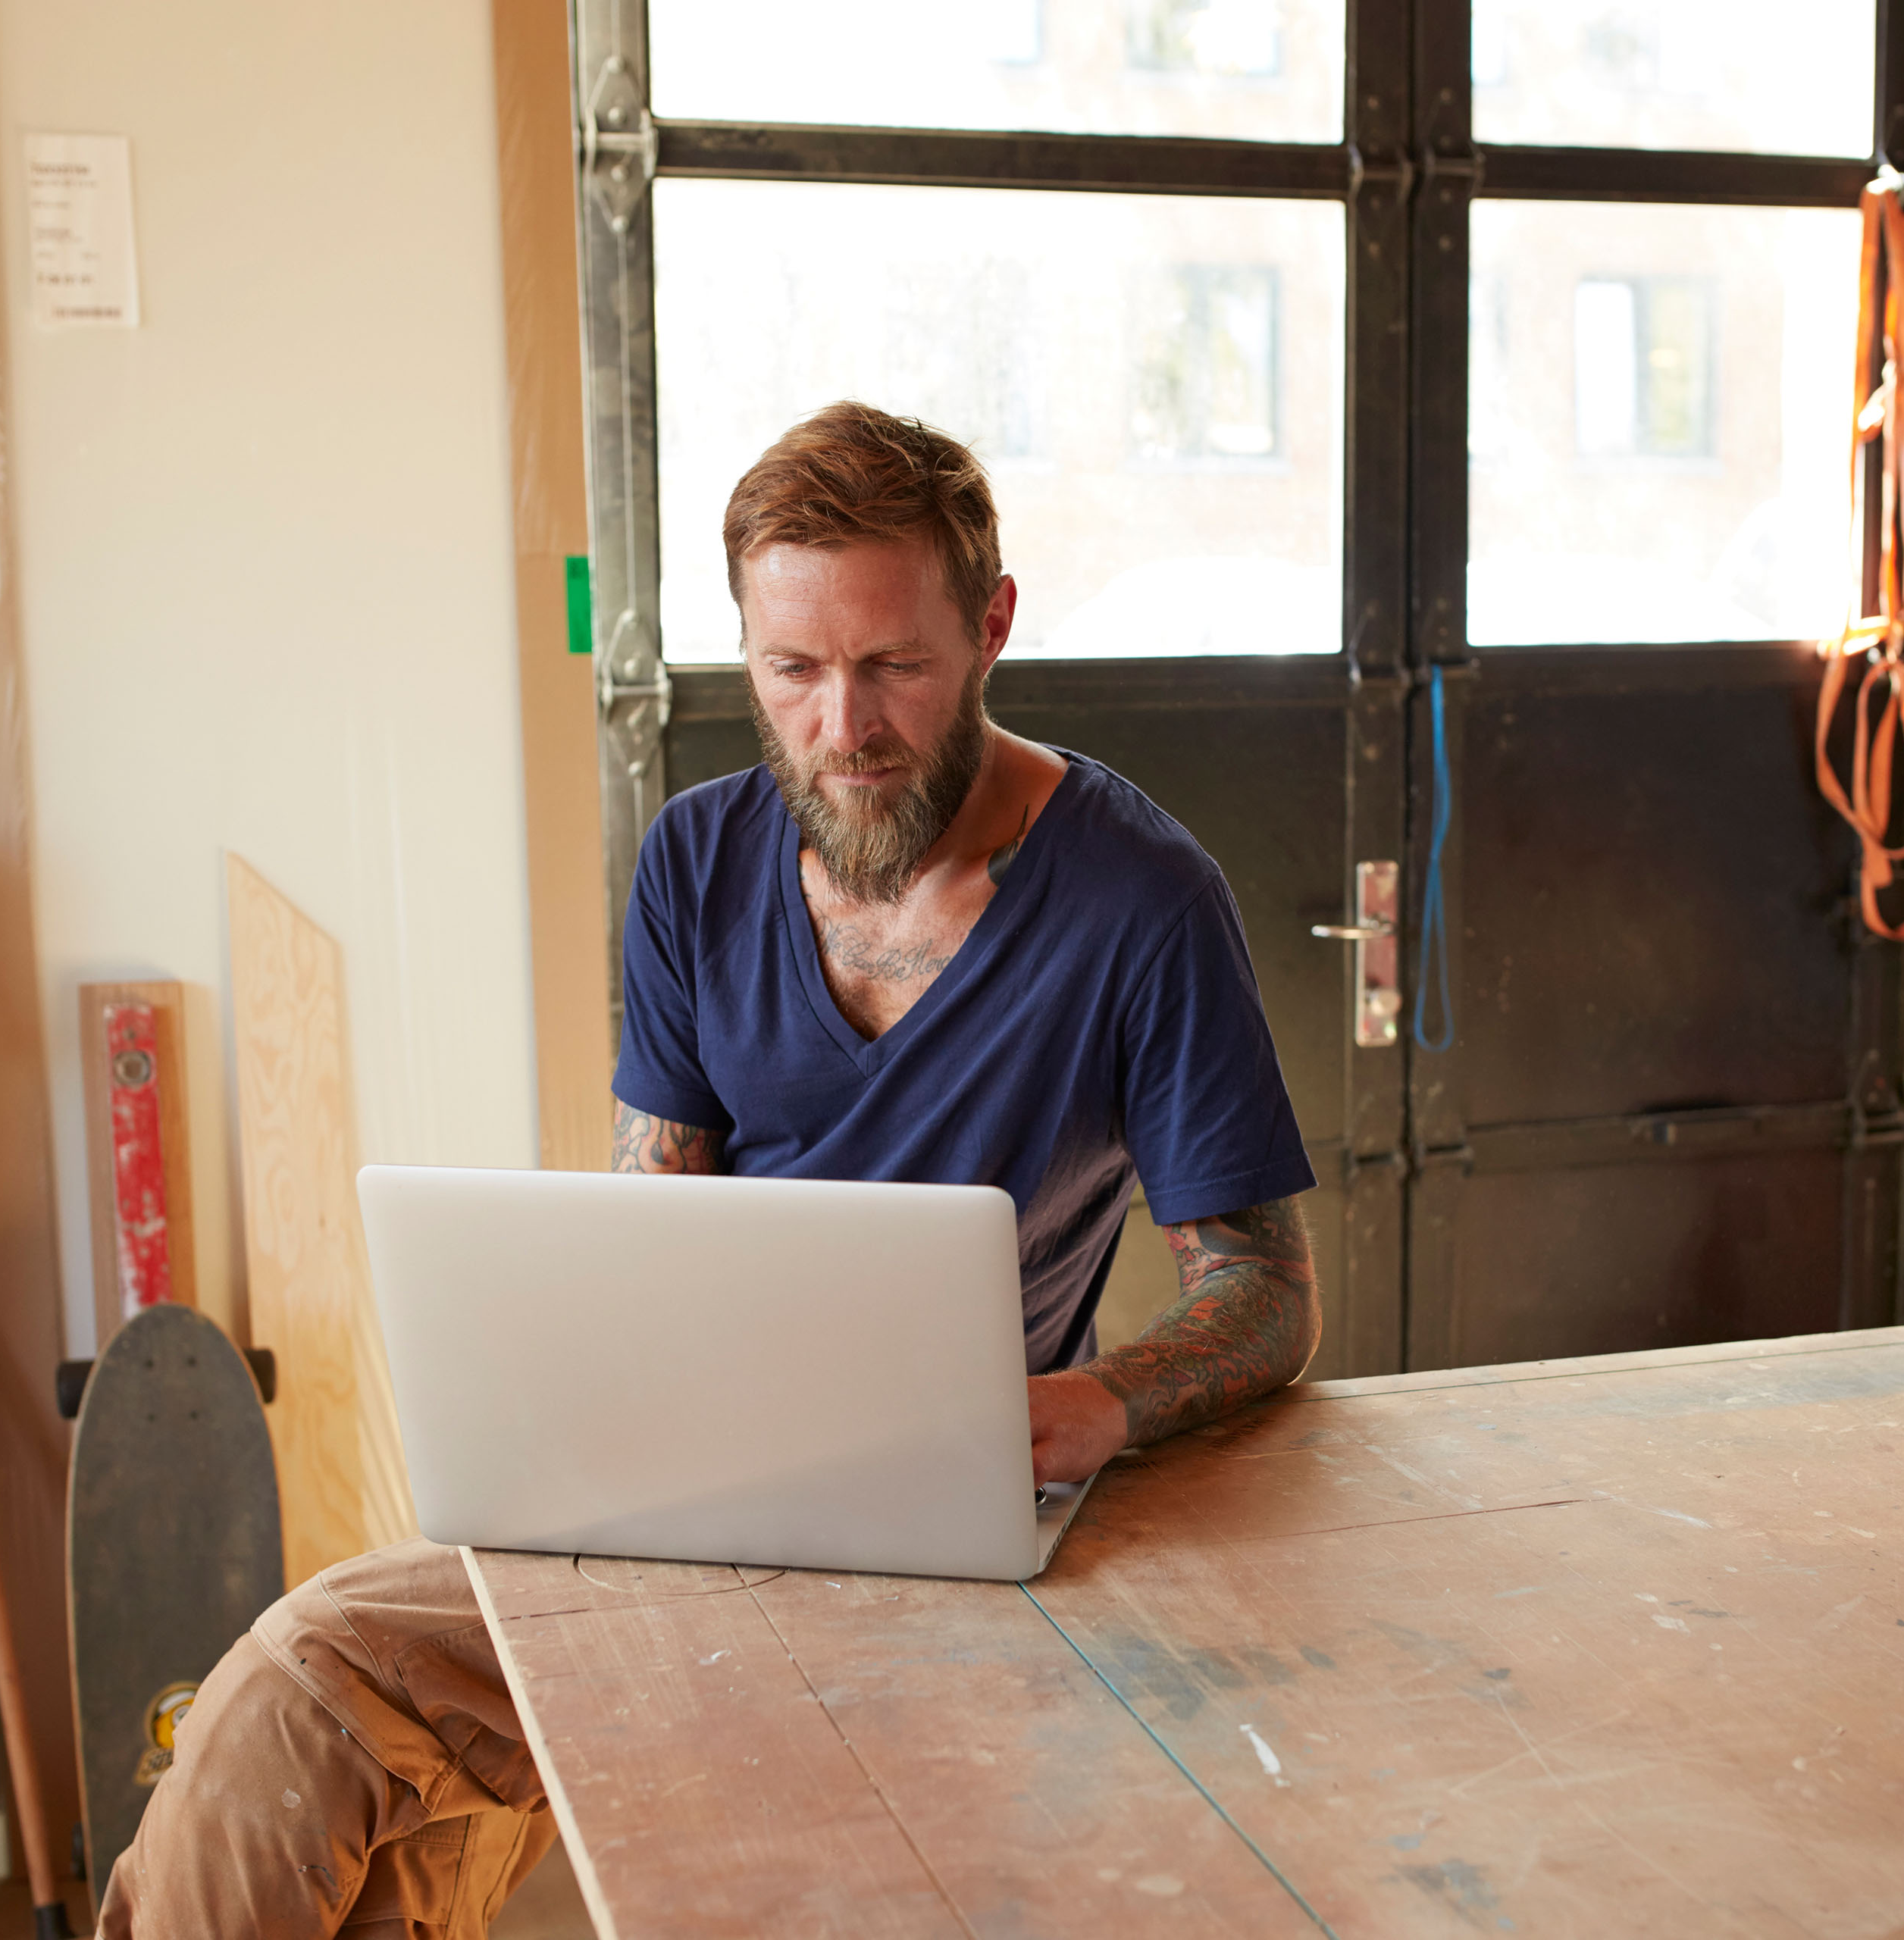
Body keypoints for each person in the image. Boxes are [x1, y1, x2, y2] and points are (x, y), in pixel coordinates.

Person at [96, 402, 1320, 1938]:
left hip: (941, 1532)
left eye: (895, 668)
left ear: (992, 624)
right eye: (791, 670)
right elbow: (650, 1220)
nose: (841, 727)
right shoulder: (696, 860)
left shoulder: (1144, 900)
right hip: (678, 1503)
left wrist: (1103, 1400)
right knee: (289, 1691)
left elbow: (1267, 1289)